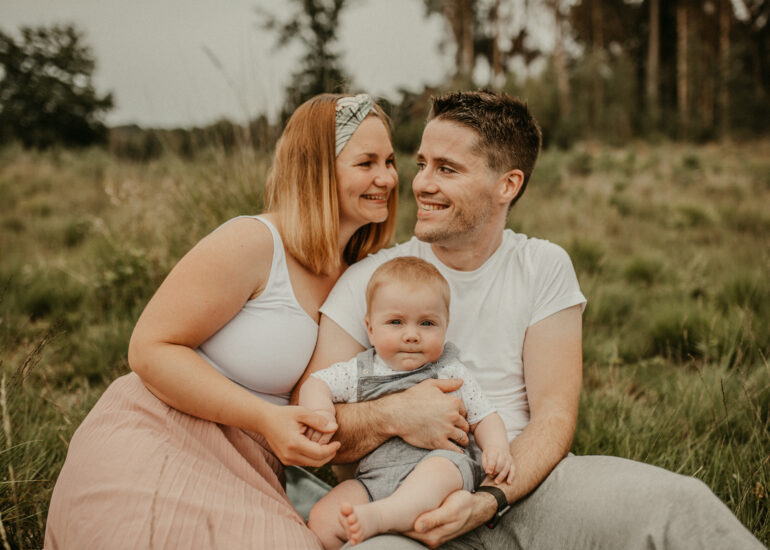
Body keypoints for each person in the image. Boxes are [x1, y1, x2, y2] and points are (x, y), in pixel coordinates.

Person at [298, 90, 765, 549]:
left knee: (682, 504)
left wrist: (487, 500)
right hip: (399, 507)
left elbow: (554, 417)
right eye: (422, 164)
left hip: (525, 489)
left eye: (447, 169)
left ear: (508, 185)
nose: (421, 184)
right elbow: (313, 429)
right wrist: (395, 415)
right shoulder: (370, 280)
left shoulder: (543, 266)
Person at [44, 93, 399, 550]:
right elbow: (149, 349)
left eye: (390, 161)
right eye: (366, 162)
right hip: (161, 432)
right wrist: (265, 418)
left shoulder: (366, 276)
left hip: (252, 468)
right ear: (316, 169)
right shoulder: (255, 242)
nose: (387, 178)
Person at [300, 256, 513, 548]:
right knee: (323, 517)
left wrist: (497, 448)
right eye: (396, 322)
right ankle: (369, 527)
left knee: (439, 472)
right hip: (374, 481)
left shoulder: (450, 371)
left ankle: (384, 517)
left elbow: (484, 415)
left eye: (427, 323)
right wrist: (321, 412)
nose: (412, 335)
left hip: (440, 473)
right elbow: (316, 383)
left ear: (445, 327)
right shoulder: (360, 372)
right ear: (370, 328)